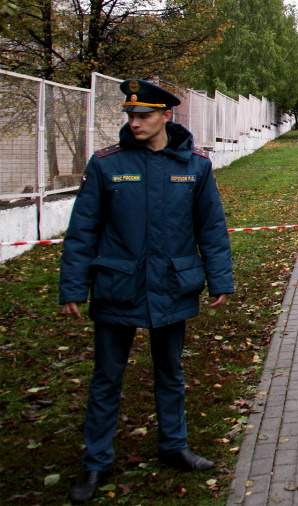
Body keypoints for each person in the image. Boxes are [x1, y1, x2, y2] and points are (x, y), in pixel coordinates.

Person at [59, 79, 233, 502]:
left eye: (144, 115)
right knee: (106, 379)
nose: (134, 122)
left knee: (170, 373)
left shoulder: (194, 165)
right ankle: (96, 462)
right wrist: (72, 288)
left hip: (171, 286)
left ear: (165, 116)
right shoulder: (106, 164)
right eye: (131, 115)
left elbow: (210, 228)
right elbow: (83, 230)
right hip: (118, 287)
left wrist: (220, 278)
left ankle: (174, 446)